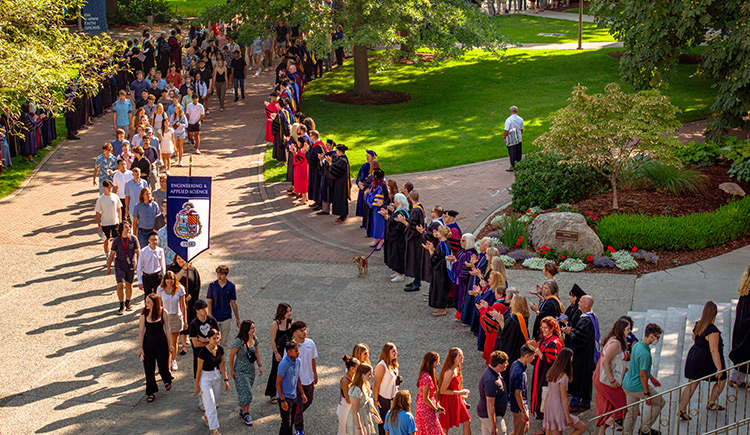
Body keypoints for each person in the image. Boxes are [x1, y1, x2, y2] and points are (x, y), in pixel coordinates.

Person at [679, 301, 727, 419]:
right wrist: (719, 368)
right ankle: (711, 402)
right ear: (714, 314)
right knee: (722, 380)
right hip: (705, 359)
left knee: (692, 384)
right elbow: (714, 351)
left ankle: (682, 409)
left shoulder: (699, 324)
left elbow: (694, 337)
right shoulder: (713, 331)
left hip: (694, 355)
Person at [622, 323, 664, 435]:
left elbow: (640, 367)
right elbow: (642, 375)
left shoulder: (637, 345)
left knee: (631, 412)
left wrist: (652, 378)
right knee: (660, 402)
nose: (658, 340)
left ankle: (627, 433)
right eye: (657, 337)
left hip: (627, 383)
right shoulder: (645, 353)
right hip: (637, 385)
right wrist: (647, 394)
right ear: (651, 336)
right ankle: (645, 428)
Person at [562, 294, 599, 412]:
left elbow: (579, 339)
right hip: (588, 354)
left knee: (578, 377)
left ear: (587, 306)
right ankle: (586, 400)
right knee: (586, 377)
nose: (578, 303)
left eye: (581, 302)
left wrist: (570, 333)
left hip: (582, 355)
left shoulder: (585, 321)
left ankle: (574, 402)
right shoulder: (592, 317)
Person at [593, 318, 630, 434]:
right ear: (621, 330)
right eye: (628, 329)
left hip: (603, 378)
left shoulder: (614, 341)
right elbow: (605, 362)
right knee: (623, 405)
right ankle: (606, 424)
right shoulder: (615, 344)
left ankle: (602, 430)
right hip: (605, 379)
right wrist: (612, 380)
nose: (630, 331)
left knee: (607, 407)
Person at [138, 293, 173, 403]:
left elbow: (167, 328)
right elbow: (141, 331)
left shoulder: (163, 313)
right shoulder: (144, 314)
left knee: (163, 365)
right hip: (148, 344)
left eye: (149, 302)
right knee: (149, 368)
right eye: (145, 302)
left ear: (155, 303)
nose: (146, 304)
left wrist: (170, 344)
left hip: (161, 342)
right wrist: (140, 347)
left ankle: (166, 378)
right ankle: (151, 391)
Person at [542, 348, 587, 435]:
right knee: (582, 427)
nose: (572, 359)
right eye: (571, 358)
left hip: (550, 406)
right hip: (558, 409)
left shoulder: (553, 373)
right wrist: (567, 417)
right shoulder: (563, 377)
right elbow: (563, 398)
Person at [528, 316, 564, 423]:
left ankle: (545, 420)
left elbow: (548, 360)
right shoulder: (544, 339)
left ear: (552, 329)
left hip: (547, 374)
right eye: (542, 328)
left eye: (546, 328)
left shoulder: (554, 342)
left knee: (545, 395)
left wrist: (537, 349)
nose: (543, 330)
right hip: (540, 371)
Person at [195, 328, 230, 435]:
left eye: (218, 338)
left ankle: (207, 416)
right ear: (208, 339)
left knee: (214, 403)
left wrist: (226, 379)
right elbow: (199, 369)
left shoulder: (220, 349)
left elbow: (222, 365)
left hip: (216, 377)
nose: (216, 340)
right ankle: (214, 430)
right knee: (210, 404)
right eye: (214, 338)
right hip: (206, 378)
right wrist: (197, 385)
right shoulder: (203, 352)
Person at [230, 320, 263, 426]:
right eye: (252, 328)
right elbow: (231, 356)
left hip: (250, 370)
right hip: (240, 371)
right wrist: (231, 370)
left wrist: (260, 365)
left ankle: (242, 409)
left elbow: (256, 353)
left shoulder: (254, 338)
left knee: (245, 391)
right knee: (247, 393)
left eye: (254, 327)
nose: (254, 330)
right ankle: (246, 413)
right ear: (246, 329)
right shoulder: (239, 341)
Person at [287, 321, 319, 433]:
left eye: (305, 329)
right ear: (295, 332)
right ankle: (299, 429)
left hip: (309, 378)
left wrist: (315, 373)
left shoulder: (310, 343)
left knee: (309, 400)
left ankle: (292, 416)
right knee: (299, 406)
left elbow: (312, 359)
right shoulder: (290, 347)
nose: (304, 332)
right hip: (296, 382)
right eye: (301, 330)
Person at [169, 255, 201, 355]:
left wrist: (191, 296)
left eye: (182, 258)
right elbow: (174, 281)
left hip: (190, 299)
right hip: (177, 299)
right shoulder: (172, 269)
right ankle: (183, 344)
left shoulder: (193, 270)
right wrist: (183, 269)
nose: (181, 260)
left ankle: (189, 338)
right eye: (178, 258)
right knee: (181, 319)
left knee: (190, 318)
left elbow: (197, 284)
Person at [495, 295, 530, 388]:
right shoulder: (521, 316)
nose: (510, 301)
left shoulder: (515, 319)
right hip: (517, 348)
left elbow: (508, 337)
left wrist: (501, 323)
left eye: (513, 300)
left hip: (512, 350)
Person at [156, 270, 187, 371]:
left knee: (174, 341)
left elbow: (183, 305)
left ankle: (173, 360)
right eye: (168, 281)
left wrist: (185, 321)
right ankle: (166, 363)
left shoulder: (180, 289)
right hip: (165, 317)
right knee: (165, 341)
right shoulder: (160, 289)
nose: (170, 283)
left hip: (176, 316)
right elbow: (159, 305)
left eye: (172, 280)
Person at [106, 222, 139, 314]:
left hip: (130, 265)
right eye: (126, 227)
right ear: (121, 229)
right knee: (121, 285)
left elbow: (138, 251)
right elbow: (112, 254)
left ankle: (128, 302)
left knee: (129, 284)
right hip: (119, 265)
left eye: (129, 226)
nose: (128, 228)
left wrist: (138, 264)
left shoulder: (133, 239)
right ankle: (121, 305)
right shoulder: (116, 240)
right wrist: (109, 267)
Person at [477, 274, 509, 364]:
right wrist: (488, 307)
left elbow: (489, 320)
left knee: (493, 349)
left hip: (494, 332)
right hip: (499, 328)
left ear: (499, 294)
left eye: (495, 293)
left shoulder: (498, 305)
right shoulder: (504, 302)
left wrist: (482, 309)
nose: (494, 295)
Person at [277, 341, 307, 435]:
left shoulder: (298, 362)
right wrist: (282, 400)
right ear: (289, 352)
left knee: (292, 421)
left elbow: (297, 377)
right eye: (296, 351)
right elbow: (278, 383)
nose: (298, 353)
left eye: (298, 350)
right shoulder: (283, 364)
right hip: (285, 397)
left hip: (294, 396)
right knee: (286, 423)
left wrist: (302, 393)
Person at [438, 347, 471, 434]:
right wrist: (460, 393)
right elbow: (442, 390)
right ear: (454, 358)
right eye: (460, 356)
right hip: (448, 401)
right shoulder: (449, 372)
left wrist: (461, 396)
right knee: (444, 427)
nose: (462, 357)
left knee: (467, 421)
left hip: (456, 399)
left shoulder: (456, 368)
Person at [206, 265, 240, 350]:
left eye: (221, 274)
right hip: (215, 316)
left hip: (226, 316)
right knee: (213, 340)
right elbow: (209, 301)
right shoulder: (212, 285)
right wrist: (209, 316)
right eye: (218, 274)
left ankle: (222, 360)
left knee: (224, 342)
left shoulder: (231, 286)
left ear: (226, 274)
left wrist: (237, 318)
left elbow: (233, 302)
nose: (219, 276)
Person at [265, 303, 293, 401]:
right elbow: (272, 340)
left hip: (288, 350)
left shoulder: (290, 323)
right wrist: (276, 353)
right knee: (276, 371)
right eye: (287, 311)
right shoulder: (275, 324)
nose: (289, 313)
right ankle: (272, 392)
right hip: (279, 350)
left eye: (290, 311)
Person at [477, 350, 509, 435]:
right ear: (499, 365)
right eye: (505, 363)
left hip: (486, 415)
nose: (507, 365)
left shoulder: (493, 371)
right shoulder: (491, 381)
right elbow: (490, 405)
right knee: (501, 432)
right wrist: (493, 426)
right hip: (490, 416)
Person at [425, 226, 454, 317]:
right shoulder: (444, 243)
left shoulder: (442, 245)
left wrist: (430, 249)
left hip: (441, 270)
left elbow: (435, 259)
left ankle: (442, 308)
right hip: (443, 269)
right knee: (441, 287)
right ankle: (442, 307)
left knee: (440, 288)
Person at [730, 265, 750, 388]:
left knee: (742, 354)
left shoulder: (745, 290)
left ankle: (735, 379)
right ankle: (736, 379)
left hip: (741, 327)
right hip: (747, 329)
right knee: (745, 355)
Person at [374, 343, 400, 435]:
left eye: (396, 351)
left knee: (392, 421)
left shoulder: (393, 364)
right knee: (384, 422)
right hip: (384, 397)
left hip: (393, 397)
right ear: (387, 352)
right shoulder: (381, 366)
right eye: (393, 351)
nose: (396, 353)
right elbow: (376, 384)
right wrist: (376, 400)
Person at [347, 363, 381, 435]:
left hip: (365, 415)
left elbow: (368, 401)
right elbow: (355, 411)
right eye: (369, 374)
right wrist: (359, 429)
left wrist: (376, 414)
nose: (372, 376)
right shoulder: (356, 390)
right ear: (362, 375)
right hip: (357, 420)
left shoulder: (366, 384)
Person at [189, 300, 219, 380]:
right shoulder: (194, 324)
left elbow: (218, 337)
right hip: (199, 354)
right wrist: (210, 342)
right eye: (202, 309)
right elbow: (195, 343)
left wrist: (205, 341)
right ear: (197, 311)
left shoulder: (212, 320)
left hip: (212, 353)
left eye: (206, 307)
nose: (205, 310)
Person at [416, 351, 444, 434]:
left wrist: (436, 404)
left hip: (425, 408)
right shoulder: (427, 377)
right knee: (433, 431)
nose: (438, 364)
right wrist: (435, 408)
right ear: (432, 363)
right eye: (437, 361)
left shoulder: (428, 373)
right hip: (426, 410)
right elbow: (425, 398)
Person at [509, 344, 534, 435]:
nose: (533, 359)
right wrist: (523, 412)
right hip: (519, 407)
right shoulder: (520, 373)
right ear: (527, 356)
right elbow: (517, 394)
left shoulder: (515, 363)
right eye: (532, 356)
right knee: (519, 432)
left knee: (523, 429)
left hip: (518, 405)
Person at [385, 193, 410, 283]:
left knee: (398, 255)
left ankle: (400, 274)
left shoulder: (401, 213)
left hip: (398, 239)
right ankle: (398, 272)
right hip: (398, 238)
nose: (394, 201)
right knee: (396, 255)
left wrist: (387, 217)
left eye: (395, 200)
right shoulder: (400, 210)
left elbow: (397, 225)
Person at [324, 144, 352, 224]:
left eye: (337, 151)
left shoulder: (343, 160)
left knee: (342, 199)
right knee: (340, 199)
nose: (336, 152)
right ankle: (342, 215)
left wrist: (330, 164)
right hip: (340, 182)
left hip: (341, 183)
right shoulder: (341, 159)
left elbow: (336, 171)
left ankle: (343, 216)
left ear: (339, 152)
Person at [403, 191, 425, 292]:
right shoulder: (420, 206)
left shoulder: (416, 210)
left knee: (416, 260)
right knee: (416, 260)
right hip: (418, 237)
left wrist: (407, 235)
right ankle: (416, 280)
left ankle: (416, 283)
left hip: (415, 239)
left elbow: (413, 226)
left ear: (410, 198)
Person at [94, 180, 122, 259]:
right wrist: (99, 225)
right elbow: (97, 213)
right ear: (104, 187)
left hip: (115, 222)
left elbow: (119, 208)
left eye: (111, 187)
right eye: (108, 187)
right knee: (106, 240)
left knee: (116, 239)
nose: (110, 189)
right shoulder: (100, 199)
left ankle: (116, 254)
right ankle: (107, 256)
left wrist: (119, 221)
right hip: (105, 223)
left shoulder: (115, 196)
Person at [136, 230, 166, 296]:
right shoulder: (143, 251)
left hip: (157, 276)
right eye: (152, 240)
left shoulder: (160, 251)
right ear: (149, 240)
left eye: (156, 240)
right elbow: (139, 267)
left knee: (158, 296)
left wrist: (164, 277)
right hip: (147, 276)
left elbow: (163, 265)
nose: (154, 242)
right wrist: (140, 281)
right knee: (147, 296)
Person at [339, 355, 362, 435]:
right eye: (358, 368)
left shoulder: (353, 377)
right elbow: (348, 400)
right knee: (343, 432)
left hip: (350, 408)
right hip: (345, 409)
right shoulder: (345, 381)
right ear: (352, 368)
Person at [356, 150, 376, 227]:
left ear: (373, 157)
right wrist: (359, 183)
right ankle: (364, 223)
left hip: (368, 190)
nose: (367, 158)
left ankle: (368, 224)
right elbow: (359, 176)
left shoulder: (374, 167)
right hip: (362, 189)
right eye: (366, 156)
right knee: (363, 206)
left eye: (369, 156)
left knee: (368, 207)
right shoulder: (365, 166)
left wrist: (365, 187)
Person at [503, 105, 524, 171]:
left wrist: (504, 137)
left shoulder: (508, 120)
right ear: (517, 111)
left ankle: (513, 166)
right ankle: (519, 165)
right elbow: (521, 129)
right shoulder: (520, 119)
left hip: (512, 139)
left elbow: (506, 130)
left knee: (512, 153)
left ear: (510, 112)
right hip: (519, 138)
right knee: (518, 152)